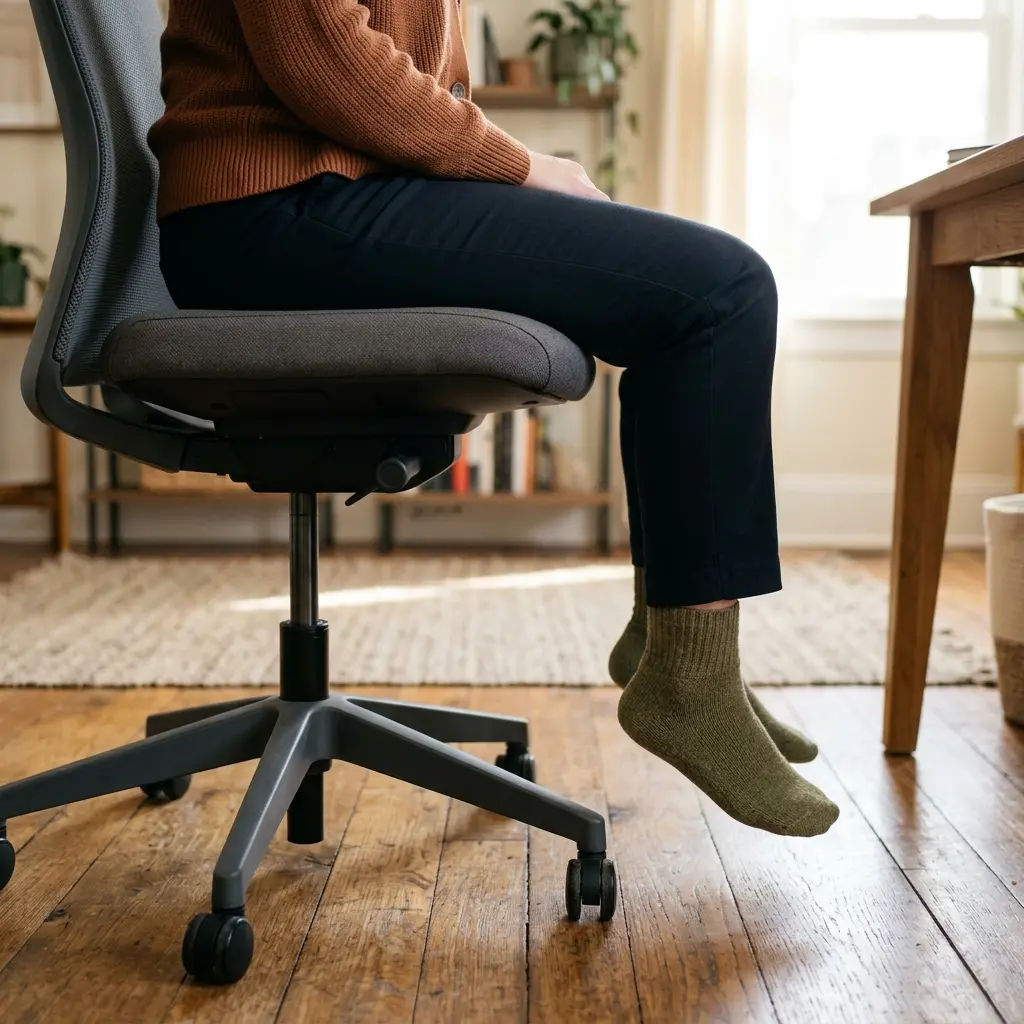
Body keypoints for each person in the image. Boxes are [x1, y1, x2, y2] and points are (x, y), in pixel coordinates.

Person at [150, 0, 839, 838]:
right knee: (719, 292)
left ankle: (674, 650)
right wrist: (517, 167)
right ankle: (688, 682)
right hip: (279, 204)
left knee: (689, 300)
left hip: (323, 193)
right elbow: (322, 57)